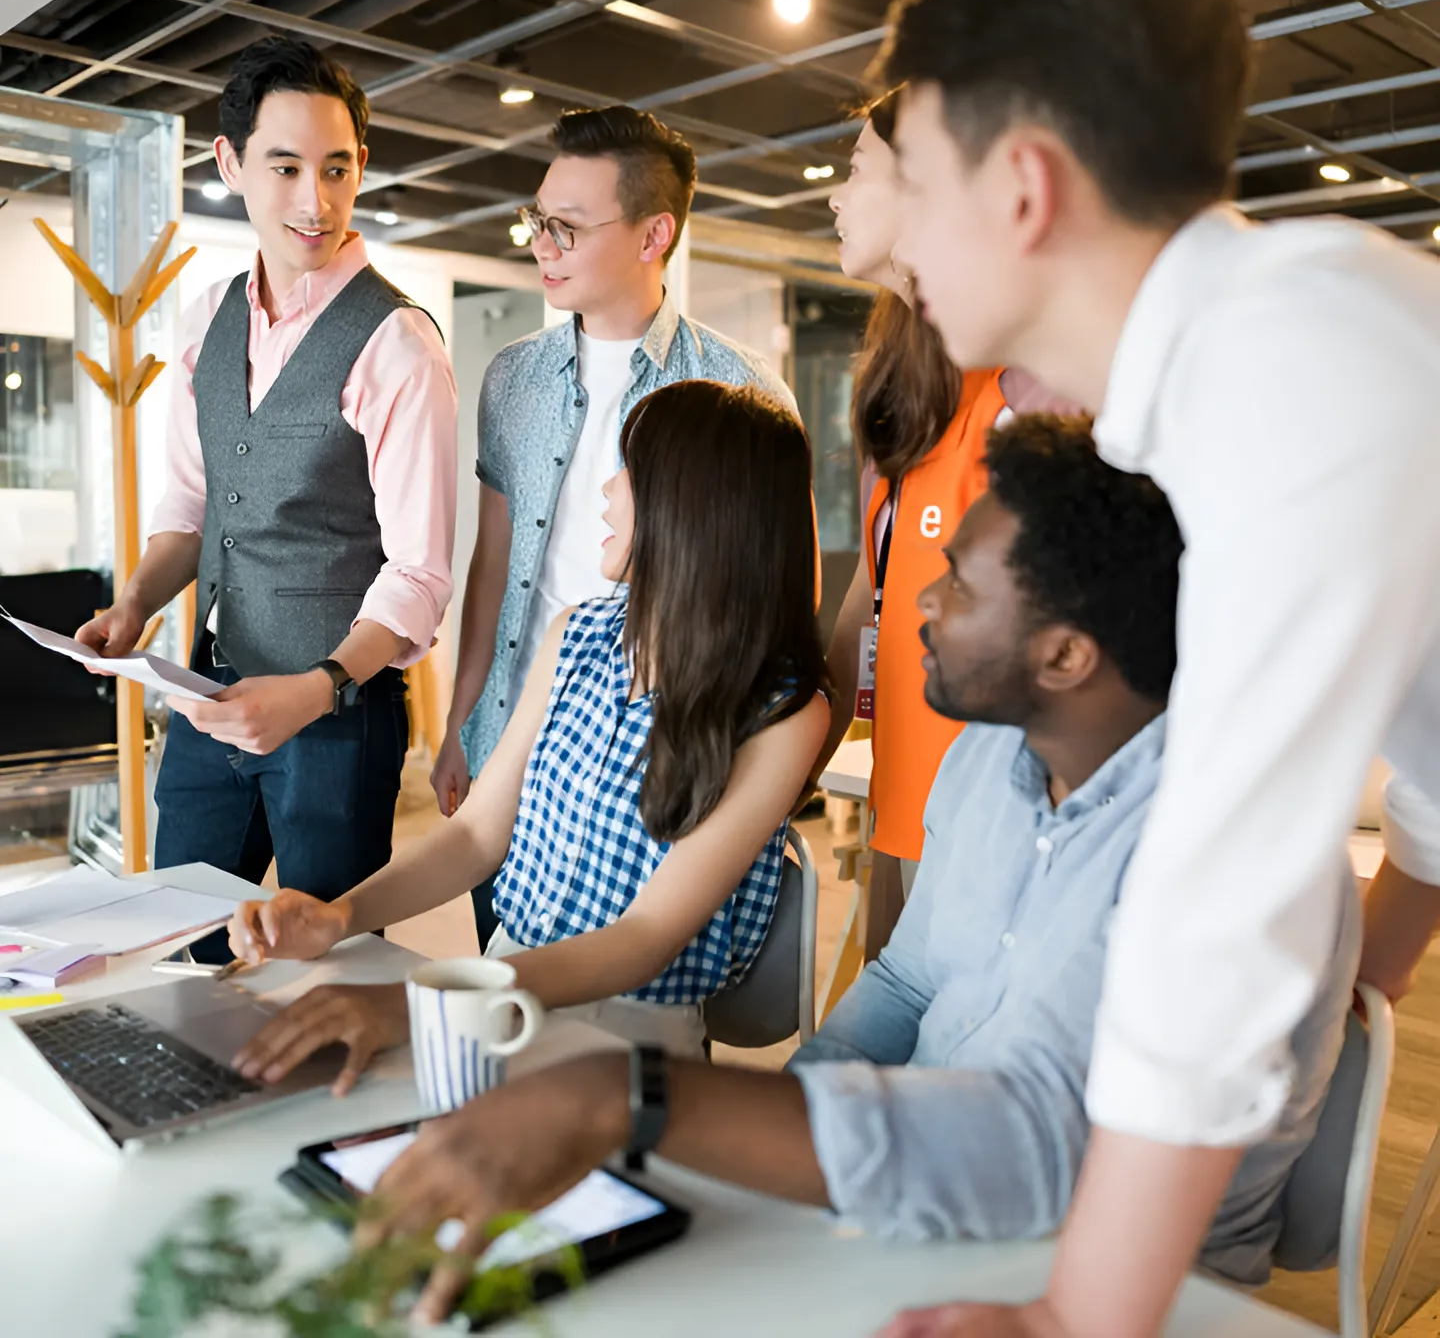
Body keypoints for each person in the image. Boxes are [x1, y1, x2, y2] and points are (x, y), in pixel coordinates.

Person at [326, 415, 1357, 1328]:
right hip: (935, 1201)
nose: (918, 606)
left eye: (959, 582)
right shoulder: (994, 761)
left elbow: (1046, 1149)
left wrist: (637, 1098)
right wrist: (756, 1164)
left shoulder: (1232, 847)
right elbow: (906, 986)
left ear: (1067, 656)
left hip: (1123, 1278)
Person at [868, 0, 1440, 1334]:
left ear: (1022, 186)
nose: (890, 241)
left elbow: (1217, 919)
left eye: (911, 178)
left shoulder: (1284, 366)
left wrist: (1076, 1321)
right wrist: (1327, 1020)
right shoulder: (1238, 365)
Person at [225, 381, 830, 1071]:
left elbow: (645, 938)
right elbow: (478, 835)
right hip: (504, 976)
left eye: (630, 472)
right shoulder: (579, 635)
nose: (607, 491)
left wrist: (432, 1003)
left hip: (629, 1038)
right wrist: (337, 916)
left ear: (696, 506)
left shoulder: (783, 712)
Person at [76, 37, 456, 963]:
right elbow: (191, 503)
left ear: (362, 165)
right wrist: (134, 606)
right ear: (230, 161)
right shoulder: (206, 318)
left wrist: (317, 690)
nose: (314, 202)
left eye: (336, 169)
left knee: (324, 968)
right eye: (285, 167)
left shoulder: (399, 344)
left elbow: (420, 574)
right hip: (208, 698)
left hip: (340, 720)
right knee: (182, 944)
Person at [429, 105, 794, 950]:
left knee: (644, 1002)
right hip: (516, 742)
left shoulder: (736, 390)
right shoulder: (514, 378)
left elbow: (778, 591)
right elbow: (496, 565)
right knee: (507, 959)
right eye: (535, 220)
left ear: (652, 233)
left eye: (565, 227)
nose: (539, 245)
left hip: (662, 756)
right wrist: (462, 718)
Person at [819, 88, 1078, 953]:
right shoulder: (904, 387)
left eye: (856, 170)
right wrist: (796, 764)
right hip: (903, 804)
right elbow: (876, 592)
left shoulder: (1033, 385)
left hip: (992, 824)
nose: (833, 195)